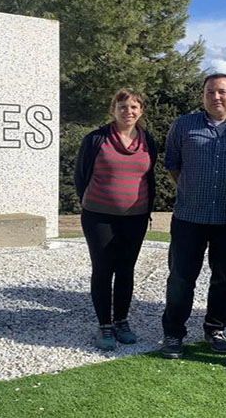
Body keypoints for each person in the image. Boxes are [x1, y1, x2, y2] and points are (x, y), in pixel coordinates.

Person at [160, 73, 226, 359]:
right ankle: (173, 333)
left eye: (222, 92)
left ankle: (215, 328)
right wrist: (191, 189)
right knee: (181, 277)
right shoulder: (183, 126)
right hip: (189, 217)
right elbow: (172, 164)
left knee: (224, 278)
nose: (216, 97)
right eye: (210, 92)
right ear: (203, 96)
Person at [74, 88, 158, 350]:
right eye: (122, 107)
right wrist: (91, 203)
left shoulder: (148, 141)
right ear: (113, 110)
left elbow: (149, 175)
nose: (128, 111)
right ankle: (104, 325)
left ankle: (121, 320)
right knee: (102, 269)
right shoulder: (96, 139)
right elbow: (81, 176)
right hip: (99, 217)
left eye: (134, 107)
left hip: (136, 217)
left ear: (141, 110)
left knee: (125, 270)